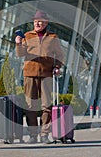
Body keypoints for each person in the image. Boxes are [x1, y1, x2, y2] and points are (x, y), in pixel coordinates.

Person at [15, 11, 64, 144]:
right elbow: (20, 54)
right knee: (31, 105)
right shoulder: (27, 35)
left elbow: (59, 55)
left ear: (46, 23)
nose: (37, 23)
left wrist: (57, 67)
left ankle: (44, 134)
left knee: (46, 105)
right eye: (36, 21)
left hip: (47, 74)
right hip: (29, 74)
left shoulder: (53, 37)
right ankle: (32, 135)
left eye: (41, 21)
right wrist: (18, 43)